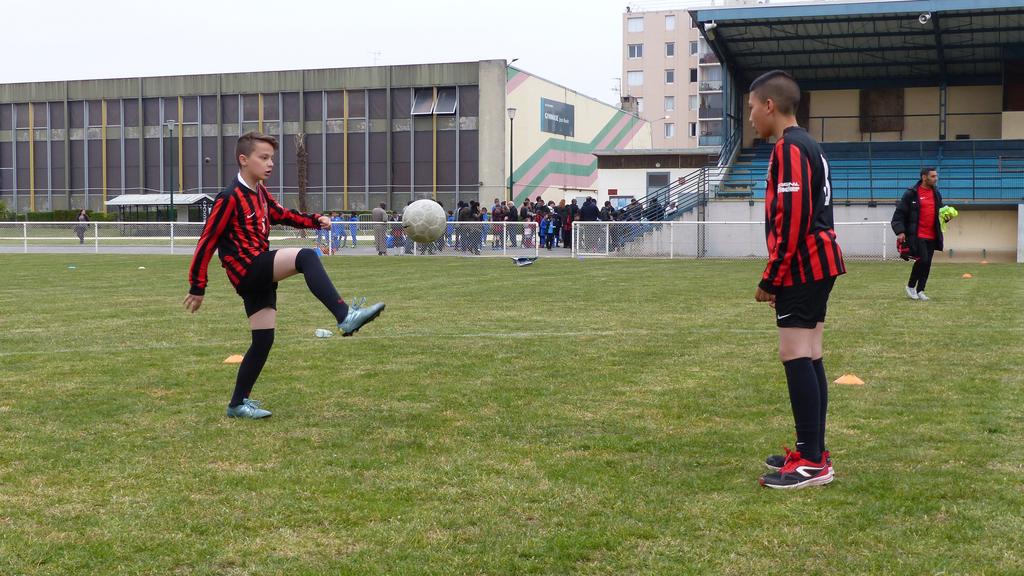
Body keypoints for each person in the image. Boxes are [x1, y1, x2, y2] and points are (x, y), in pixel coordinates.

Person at [184, 132, 385, 419]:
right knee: (305, 256)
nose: (269, 164)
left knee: (263, 340)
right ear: (243, 160)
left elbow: (283, 215)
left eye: (272, 159)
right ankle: (345, 316)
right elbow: (207, 240)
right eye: (263, 158)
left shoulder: (261, 193)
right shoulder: (229, 197)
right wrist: (197, 286)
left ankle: (237, 404)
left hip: (259, 274)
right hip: (248, 270)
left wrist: (316, 221)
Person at [748, 70, 845, 489]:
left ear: (770, 105)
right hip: (819, 261)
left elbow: (792, 218)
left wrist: (772, 276)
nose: (751, 116)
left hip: (805, 262)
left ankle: (810, 462)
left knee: (795, 355)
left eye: (752, 107)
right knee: (810, 352)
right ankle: (813, 450)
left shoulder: (788, 148)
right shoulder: (809, 144)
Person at [892, 167, 944, 301]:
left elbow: (940, 212)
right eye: (933, 176)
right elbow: (899, 214)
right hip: (917, 235)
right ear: (924, 177)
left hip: (932, 235)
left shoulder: (936, 193)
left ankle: (921, 290)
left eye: (936, 176)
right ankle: (910, 286)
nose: (936, 179)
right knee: (923, 260)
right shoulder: (911, 193)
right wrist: (900, 231)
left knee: (927, 264)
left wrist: (947, 215)